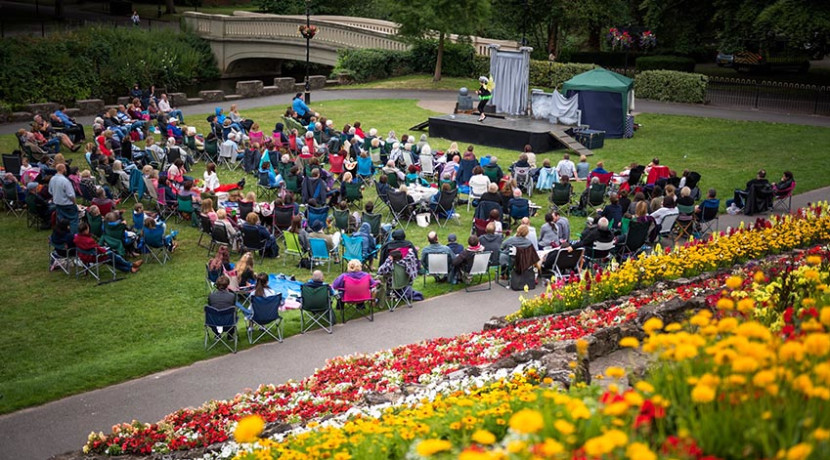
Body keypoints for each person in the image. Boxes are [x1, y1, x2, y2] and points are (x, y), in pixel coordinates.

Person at [74, 222, 143, 273]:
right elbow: (98, 249)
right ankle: (131, 265)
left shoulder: (76, 239)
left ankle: (129, 269)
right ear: (86, 230)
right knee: (111, 254)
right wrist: (104, 250)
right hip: (93, 257)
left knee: (110, 259)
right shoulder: (88, 240)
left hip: (83, 257)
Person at [48, 164, 79, 234]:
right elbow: (71, 194)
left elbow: (50, 191)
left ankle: (62, 234)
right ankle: (73, 236)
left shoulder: (52, 179)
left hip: (58, 204)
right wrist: (74, 203)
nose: (66, 170)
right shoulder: (65, 181)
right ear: (62, 169)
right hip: (68, 204)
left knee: (61, 221)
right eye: (64, 168)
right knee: (73, 220)